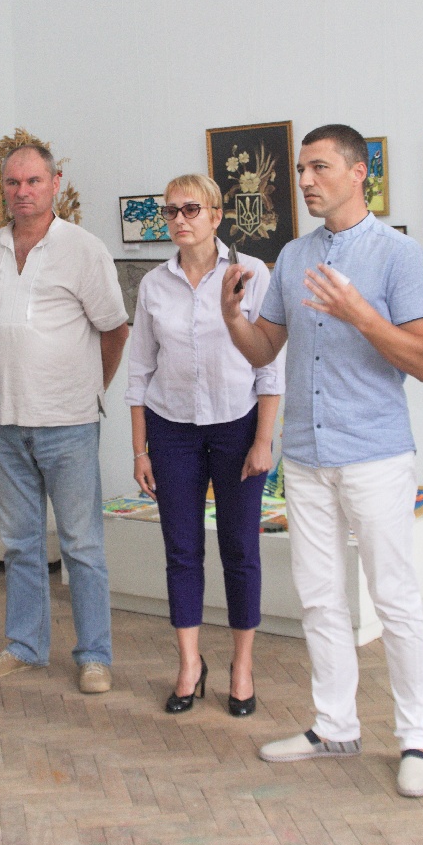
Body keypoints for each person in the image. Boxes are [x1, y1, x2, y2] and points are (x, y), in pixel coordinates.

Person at [220, 123, 423, 797]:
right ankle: (334, 726)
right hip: (306, 456)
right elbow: (265, 351)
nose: (305, 181)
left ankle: (415, 740)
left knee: (394, 599)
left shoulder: (398, 254)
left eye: (318, 167)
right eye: (300, 170)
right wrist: (232, 319)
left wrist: (360, 315)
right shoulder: (292, 256)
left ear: (357, 172)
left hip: (374, 453)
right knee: (318, 599)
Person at [0, 143, 129, 694]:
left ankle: (94, 656)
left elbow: (115, 329)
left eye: (34, 181)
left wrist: (90, 389)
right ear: (3, 188)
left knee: (82, 545)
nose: (23, 192)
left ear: (55, 184)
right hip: (6, 421)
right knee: (20, 543)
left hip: (70, 423)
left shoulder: (83, 249)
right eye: (13, 182)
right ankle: (25, 647)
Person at [125, 173, 282, 716]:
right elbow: (139, 372)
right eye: (171, 211)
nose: (180, 219)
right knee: (181, 549)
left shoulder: (251, 273)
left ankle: (242, 665)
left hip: (238, 425)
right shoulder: (154, 285)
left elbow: (270, 366)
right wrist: (140, 450)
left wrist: (263, 441)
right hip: (171, 429)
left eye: (191, 209)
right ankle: (190, 663)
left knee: (239, 549)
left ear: (216, 216)